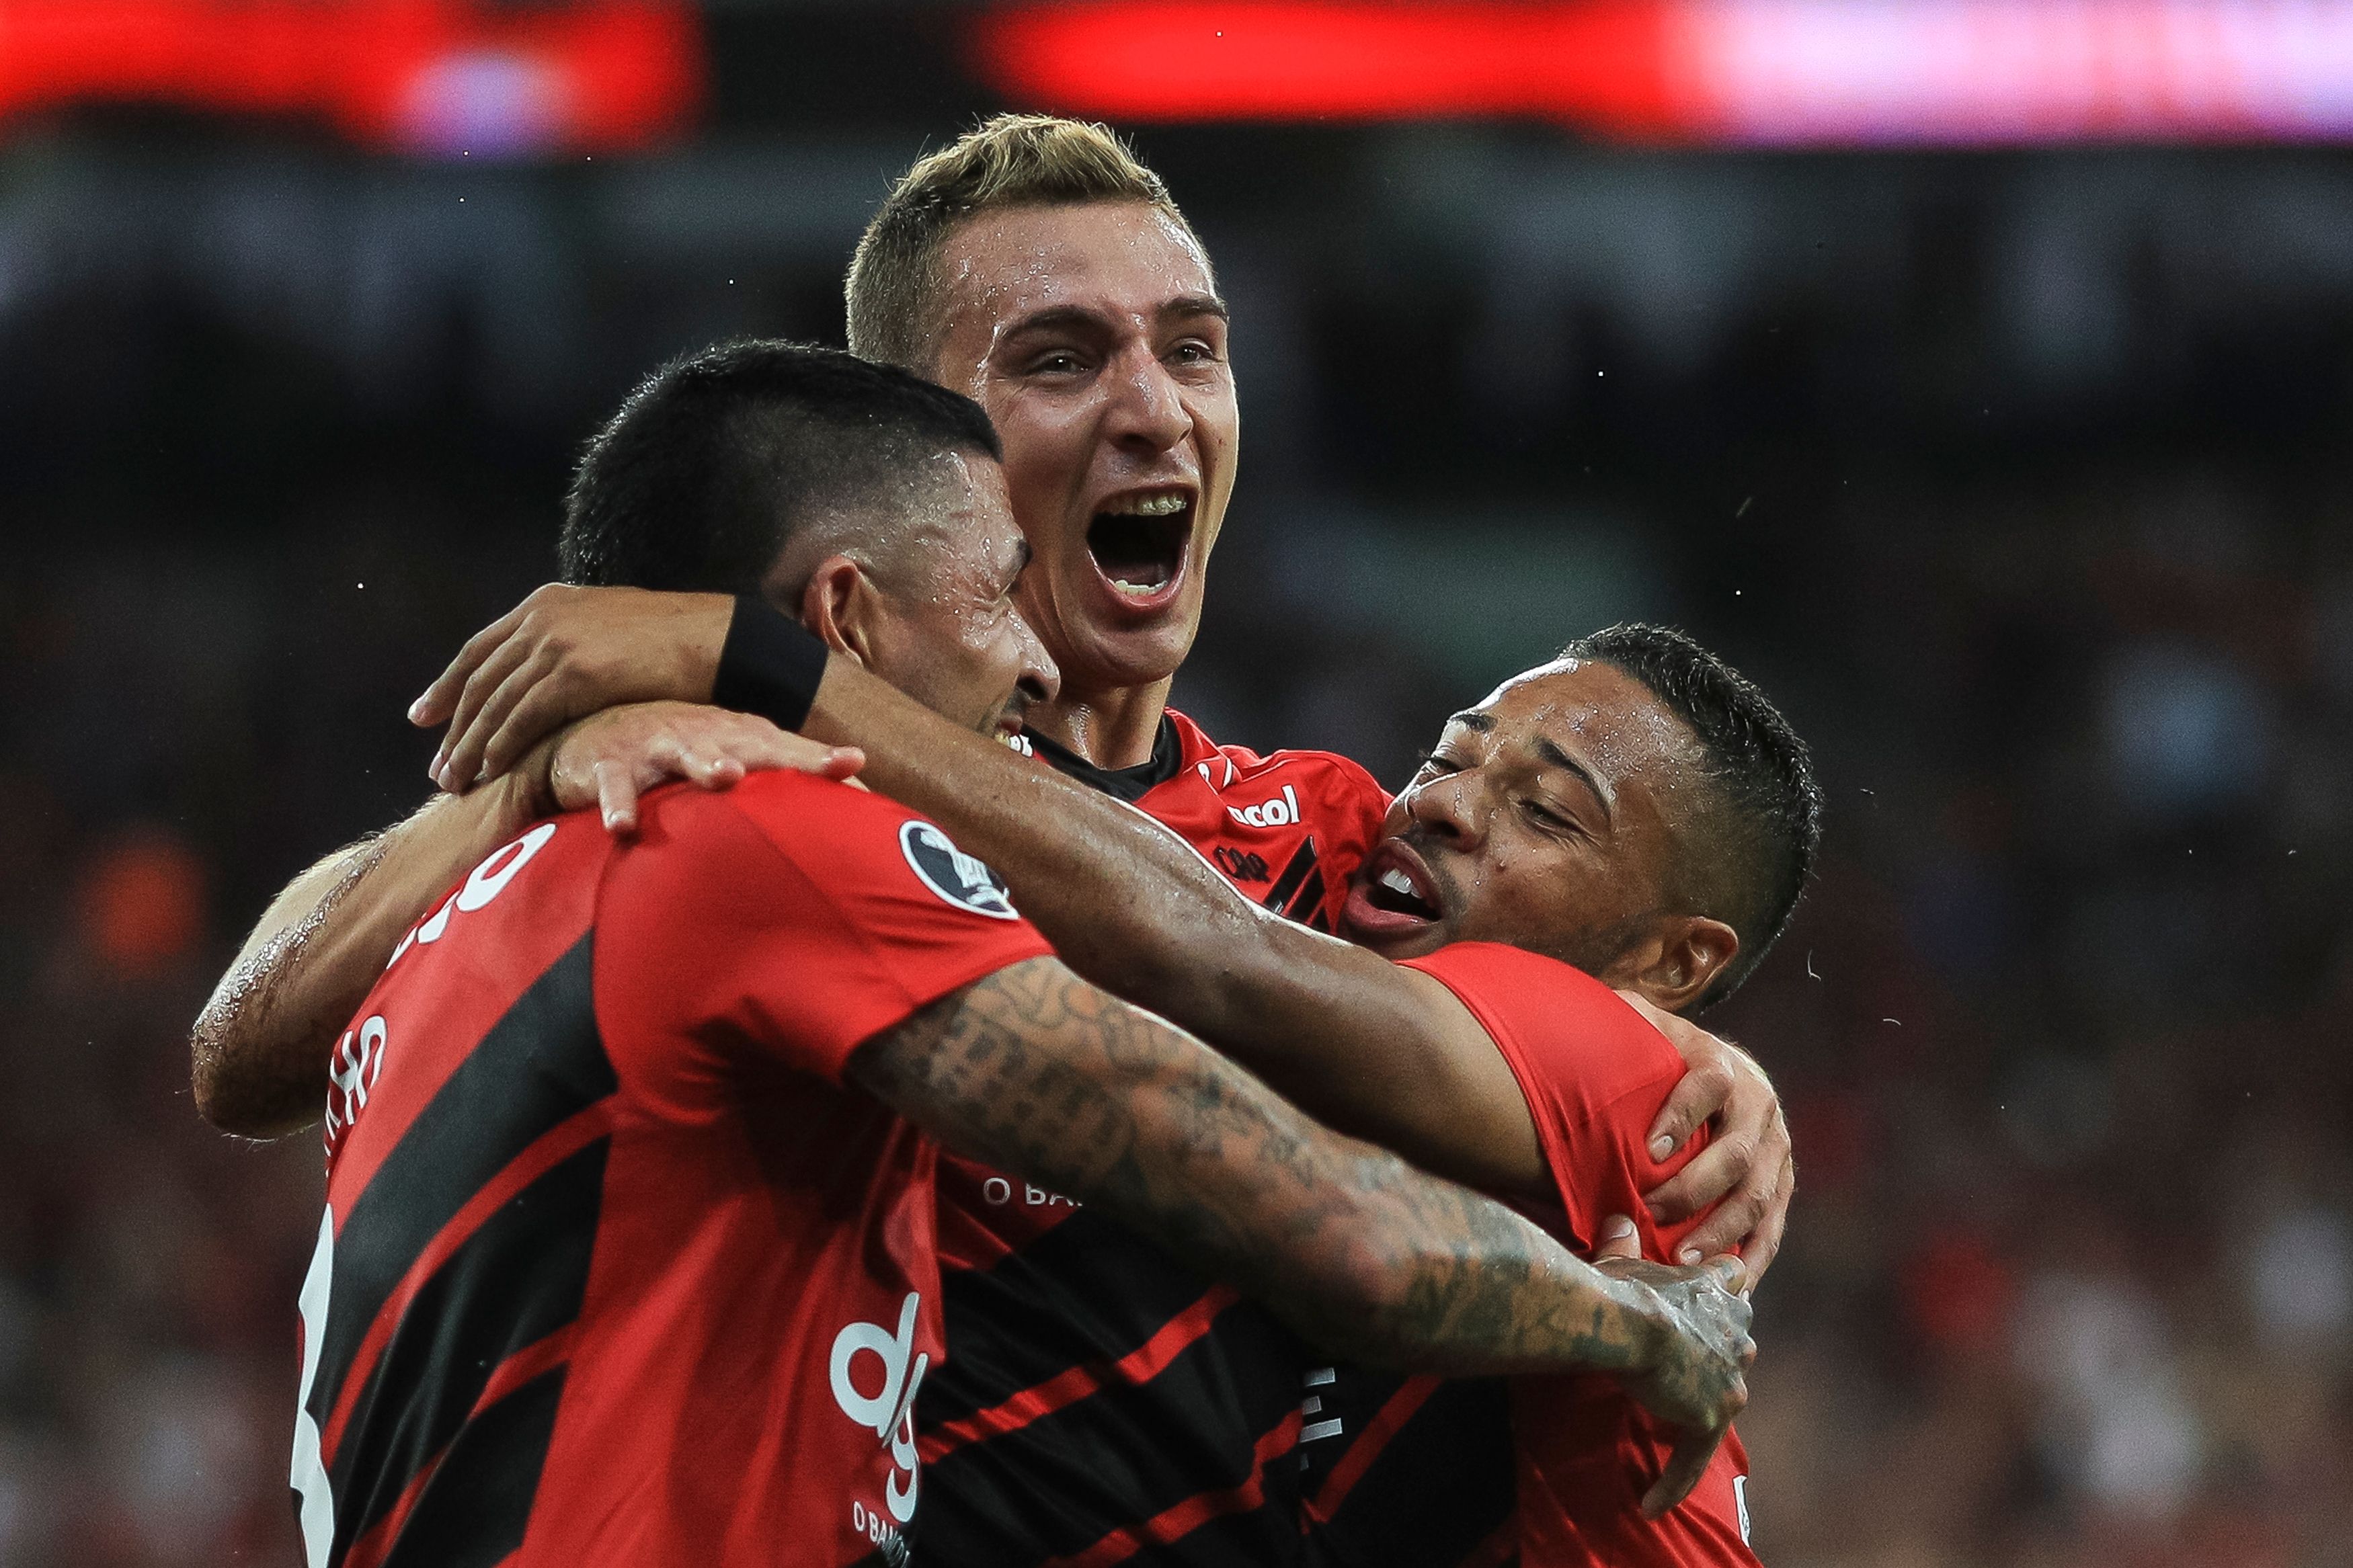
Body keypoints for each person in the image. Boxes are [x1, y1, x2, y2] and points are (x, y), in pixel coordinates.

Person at [196, 119, 1792, 1565]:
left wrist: (1694, 1061)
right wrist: (531, 768)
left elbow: (1312, 974)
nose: (1153, 409)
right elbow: (245, 1051)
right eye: (1060, 360)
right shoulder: (754, 801)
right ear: (915, 439)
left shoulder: (1329, 844)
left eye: (1193, 348)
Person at [409, 591, 1821, 1567]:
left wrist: (741, 659)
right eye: (1451, 755)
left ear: (1669, 962)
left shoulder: (1621, 1074)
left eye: (1540, 811)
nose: (1441, 804)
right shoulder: (1344, 874)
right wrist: (526, 779)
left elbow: (1205, 951)